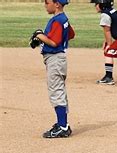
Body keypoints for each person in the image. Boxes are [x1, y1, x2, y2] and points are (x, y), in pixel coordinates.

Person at [33, 0, 75, 138]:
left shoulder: (57, 20)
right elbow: (70, 34)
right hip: (57, 59)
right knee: (59, 90)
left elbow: (53, 42)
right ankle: (63, 124)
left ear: (56, 4)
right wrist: (41, 38)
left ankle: (62, 127)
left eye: (47, 2)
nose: (45, 5)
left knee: (56, 91)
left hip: (55, 59)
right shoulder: (63, 19)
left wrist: (39, 35)